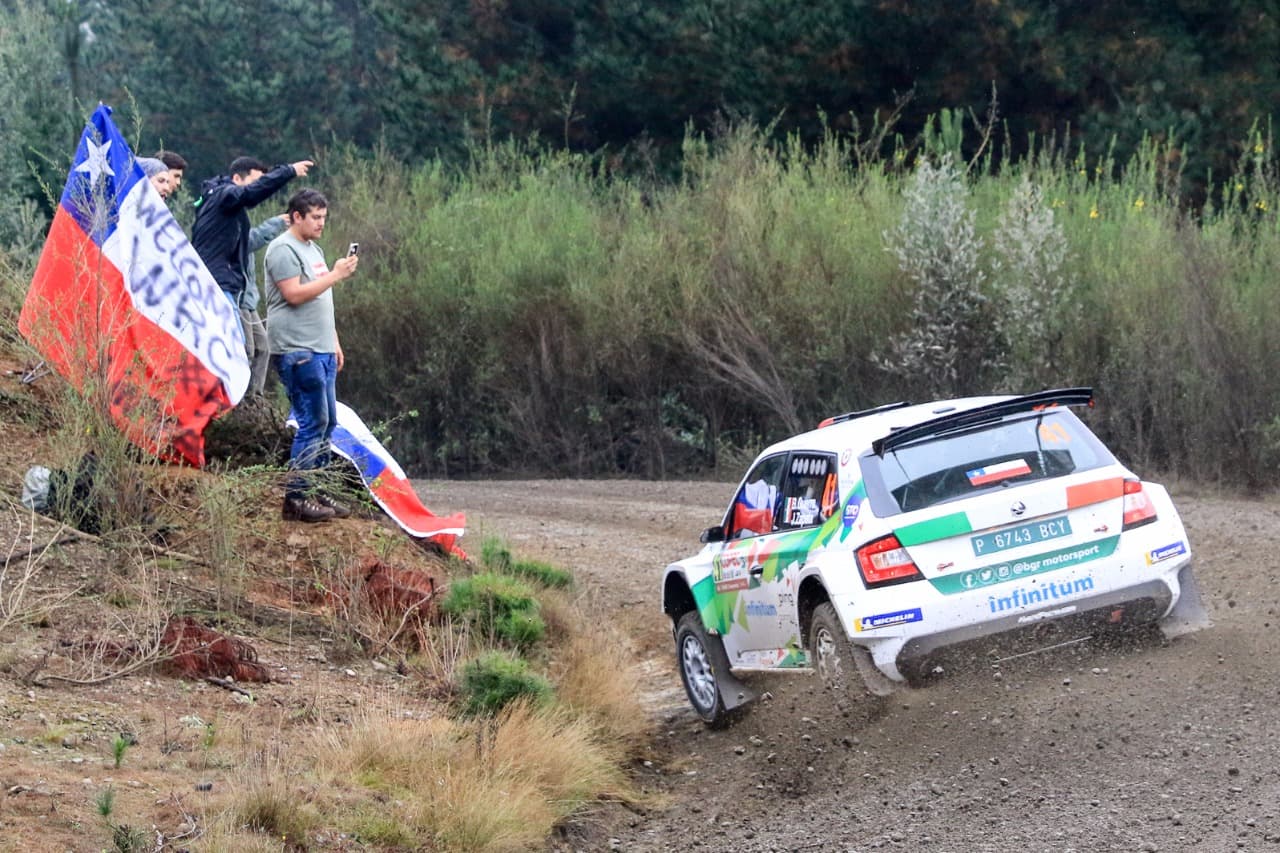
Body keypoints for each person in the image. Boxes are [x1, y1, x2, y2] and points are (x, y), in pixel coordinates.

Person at [263, 189, 358, 523]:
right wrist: (336, 275)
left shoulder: (313, 249)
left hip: (321, 348)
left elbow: (321, 297)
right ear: (296, 217)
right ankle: (296, 499)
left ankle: (316, 489)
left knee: (328, 422)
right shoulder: (282, 249)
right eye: (315, 217)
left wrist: (334, 340)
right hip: (297, 350)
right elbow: (293, 294)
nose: (321, 223)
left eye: (323, 217)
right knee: (311, 422)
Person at [191, 155, 312, 343]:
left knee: (250, 349)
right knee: (236, 348)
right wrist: (288, 171)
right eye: (254, 182)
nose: (256, 187)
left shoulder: (223, 205)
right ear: (237, 179)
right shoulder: (225, 195)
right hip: (216, 284)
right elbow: (251, 194)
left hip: (220, 283)